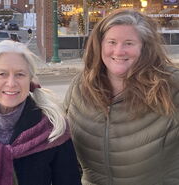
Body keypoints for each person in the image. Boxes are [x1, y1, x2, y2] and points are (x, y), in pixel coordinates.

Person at [63, 9, 179, 185]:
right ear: (100, 45)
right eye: (111, 42)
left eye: (129, 43)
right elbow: (64, 149)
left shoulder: (171, 87)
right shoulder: (80, 87)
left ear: (144, 47)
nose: (119, 51)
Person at [0, 40, 82, 185]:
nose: (11, 83)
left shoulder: (53, 128)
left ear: (30, 80)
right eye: (2, 74)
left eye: (20, 74)